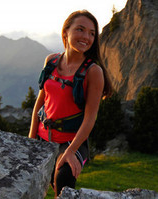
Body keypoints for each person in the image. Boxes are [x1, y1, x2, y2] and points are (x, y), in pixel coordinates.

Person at [28, 10, 112, 197]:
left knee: (64, 179)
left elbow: (90, 118)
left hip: (71, 141)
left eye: (91, 33)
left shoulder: (93, 72)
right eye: (80, 30)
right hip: (43, 137)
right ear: (66, 32)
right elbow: (40, 101)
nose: (86, 37)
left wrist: (70, 151)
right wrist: (31, 138)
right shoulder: (51, 61)